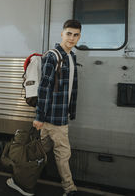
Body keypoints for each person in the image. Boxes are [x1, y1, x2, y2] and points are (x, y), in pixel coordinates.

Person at [33, 19, 82, 196]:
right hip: (54, 116)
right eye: (68, 34)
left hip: (57, 114)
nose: (72, 38)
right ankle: (70, 189)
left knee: (39, 153)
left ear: (79, 37)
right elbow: (44, 87)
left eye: (76, 35)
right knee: (63, 153)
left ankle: (21, 179)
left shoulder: (71, 56)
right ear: (62, 34)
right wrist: (39, 116)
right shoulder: (52, 56)